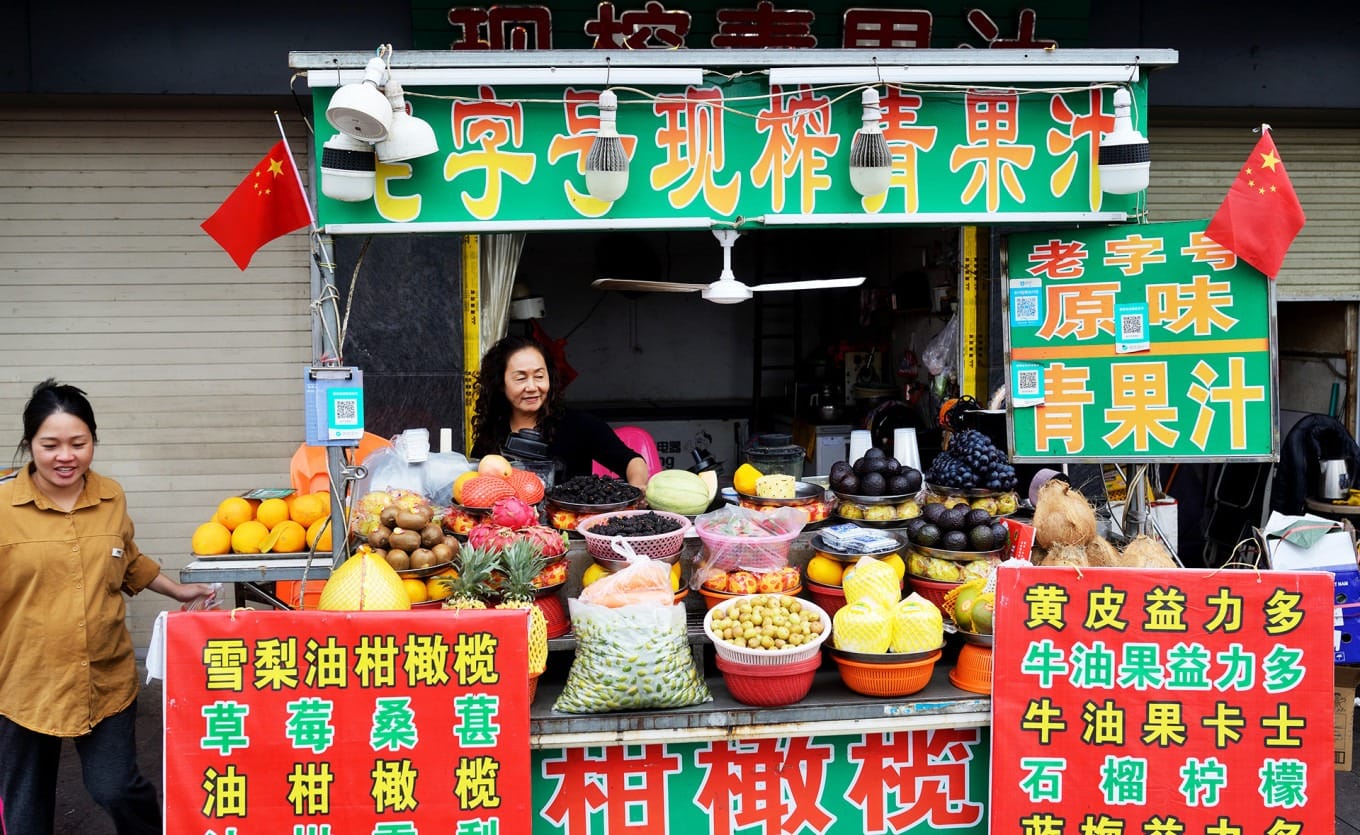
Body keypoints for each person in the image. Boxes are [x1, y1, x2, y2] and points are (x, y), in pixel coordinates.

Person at [0, 380, 217, 834]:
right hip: (23, 681)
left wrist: (180, 592)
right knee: (25, 808)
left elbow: (127, 560)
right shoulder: (3, 505)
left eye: (78, 443)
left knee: (115, 787)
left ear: (93, 441)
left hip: (103, 676)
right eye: (50, 444)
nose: (66, 456)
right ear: (28, 445)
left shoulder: (110, 496)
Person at [470, 334, 649, 489]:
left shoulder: (580, 425)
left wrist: (638, 488)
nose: (532, 387)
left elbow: (632, 462)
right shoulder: (492, 433)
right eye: (521, 378)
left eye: (539, 376)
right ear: (501, 384)